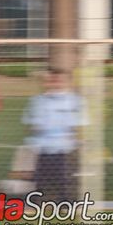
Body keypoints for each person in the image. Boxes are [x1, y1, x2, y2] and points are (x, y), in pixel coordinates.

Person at [22, 68, 86, 202]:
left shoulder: (75, 101)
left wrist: (76, 144)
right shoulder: (37, 101)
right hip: (41, 149)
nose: (56, 83)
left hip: (64, 149)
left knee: (65, 181)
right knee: (39, 182)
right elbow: (29, 125)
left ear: (68, 82)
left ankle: (66, 205)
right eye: (52, 80)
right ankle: (38, 206)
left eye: (60, 80)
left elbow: (80, 127)